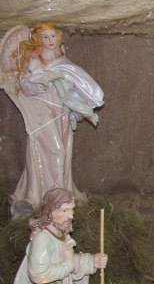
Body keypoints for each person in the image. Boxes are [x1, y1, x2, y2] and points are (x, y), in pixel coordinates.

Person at [0, 24, 104, 216]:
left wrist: (71, 94)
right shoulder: (33, 59)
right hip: (41, 113)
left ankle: (47, 194)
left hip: (60, 114)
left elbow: (73, 83)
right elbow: (24, 84)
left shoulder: (62, 60)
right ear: (38, 40)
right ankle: (54, 198)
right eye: (45, 37)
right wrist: (39, 83)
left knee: (61, 152)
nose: (50, 41)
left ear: (59, 38)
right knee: (56, 151)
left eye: (53, 36)